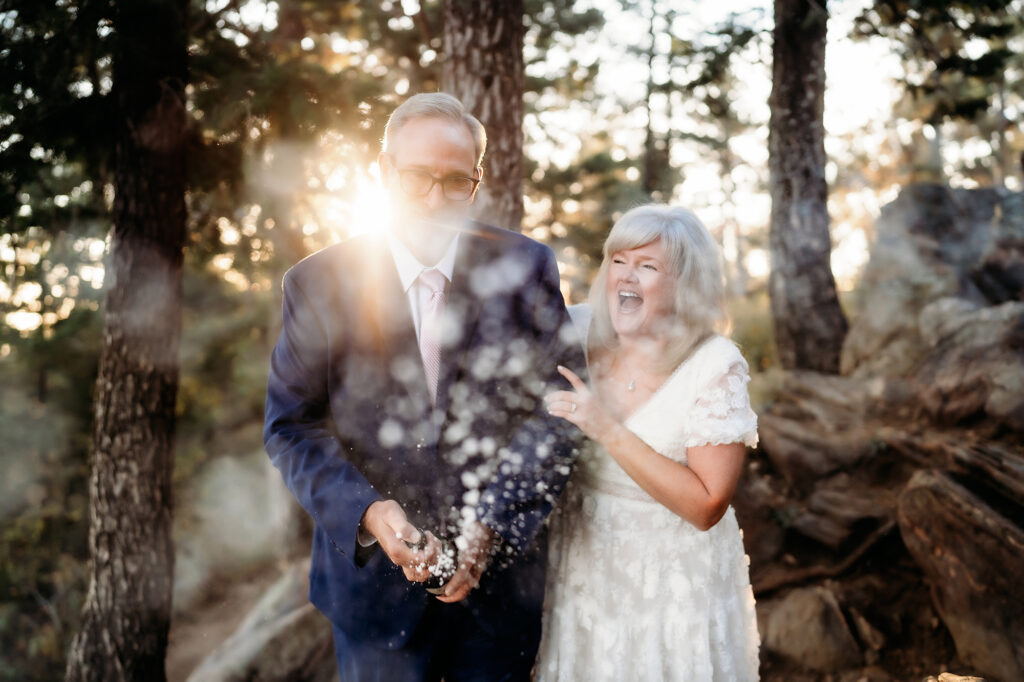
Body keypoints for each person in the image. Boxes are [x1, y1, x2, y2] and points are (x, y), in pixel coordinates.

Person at [263, 92, 585, 681]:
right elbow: (291, 425)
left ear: (477, 180)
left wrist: (494, 523)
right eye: (416, 179)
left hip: (499, 599)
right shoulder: (317, 283)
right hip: (372, 603)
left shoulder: (527, 268)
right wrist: (372, 514)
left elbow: (562, 408)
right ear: (384, 172)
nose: (435, 200)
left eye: (455, 182)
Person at [534, 204, 760, 680]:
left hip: (673, 587)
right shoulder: (575, 330)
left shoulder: (713, 365)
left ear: (685, 285)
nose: (626, 277)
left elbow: (707, 504)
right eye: (618, 260)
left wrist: (608, 430)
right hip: (580, 571)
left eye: (648, 266)